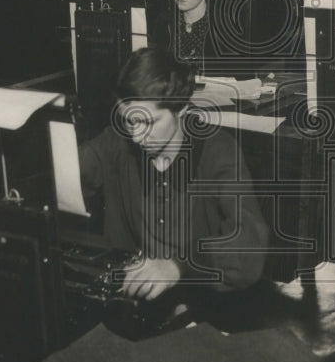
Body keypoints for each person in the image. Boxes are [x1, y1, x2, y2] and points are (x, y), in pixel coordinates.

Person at [77, 47, 269, 300]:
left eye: (148, 122)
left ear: (182, 112)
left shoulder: (217, 151)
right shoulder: (116, 142)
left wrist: (177, 265)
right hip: (134, 300)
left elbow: (249, 243)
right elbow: (68, 173)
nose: (136, 135)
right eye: (129, 120)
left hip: (203, 307)